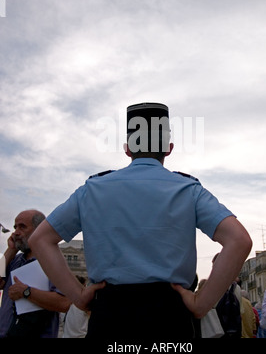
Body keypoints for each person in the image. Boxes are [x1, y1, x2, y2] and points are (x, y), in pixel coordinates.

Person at [28, 102, 252, 340]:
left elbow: (41, 239)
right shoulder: (189, 189)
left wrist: (78, 295)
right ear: (168, 148)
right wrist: (201, 303)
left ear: (127, 149)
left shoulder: (92, 189)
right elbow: (239, 240)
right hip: (170, 316)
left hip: (109, 314)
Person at [0, 210, 71, 338]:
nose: (15, 232)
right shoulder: (14, 260)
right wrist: (11, 250)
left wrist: (26, 292)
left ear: (39, 230)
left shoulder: (52, 261)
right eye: (15, 227)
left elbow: (65, 302)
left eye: (22, 227)